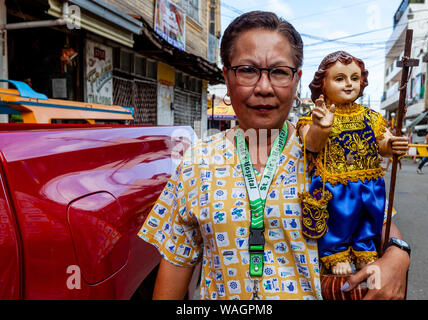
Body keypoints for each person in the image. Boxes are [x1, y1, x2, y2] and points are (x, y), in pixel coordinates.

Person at [138, 12, 410, 300]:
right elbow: (174, 271)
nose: (264, 88)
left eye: (279, 72)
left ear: (297, 81)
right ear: (227, 77)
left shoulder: (333, 147)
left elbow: (382, 225)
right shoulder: (198, 161)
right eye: (247, 70)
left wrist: (398, 257)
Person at [296, 51, 409, 276]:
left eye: (354, 79)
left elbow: (382, 141)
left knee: (370, 217)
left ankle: (365, 251)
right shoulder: (314, 116)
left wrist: (392, 145)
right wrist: (322, 128)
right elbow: (311, 145)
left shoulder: (371, 116)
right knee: (338, 220)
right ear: (323, 84)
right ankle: (335, 253)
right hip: (333, 187)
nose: (349, 84)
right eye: (340, 79)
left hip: (369, 183)